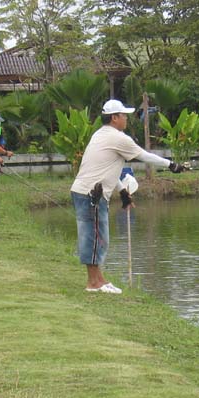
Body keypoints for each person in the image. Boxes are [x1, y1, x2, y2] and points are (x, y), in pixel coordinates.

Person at [71, 99, 187, 294]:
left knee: (100, 237)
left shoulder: (101, 135)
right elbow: (144, 156)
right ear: (114, 118)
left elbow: (107, 168)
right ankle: (93, 284)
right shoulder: (117, 138)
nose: (126, 118)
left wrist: (123, 191)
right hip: (91, 193)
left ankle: (100, 279)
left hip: (89, 191)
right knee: (94, 237)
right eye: (124, 115)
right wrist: (171, 165)